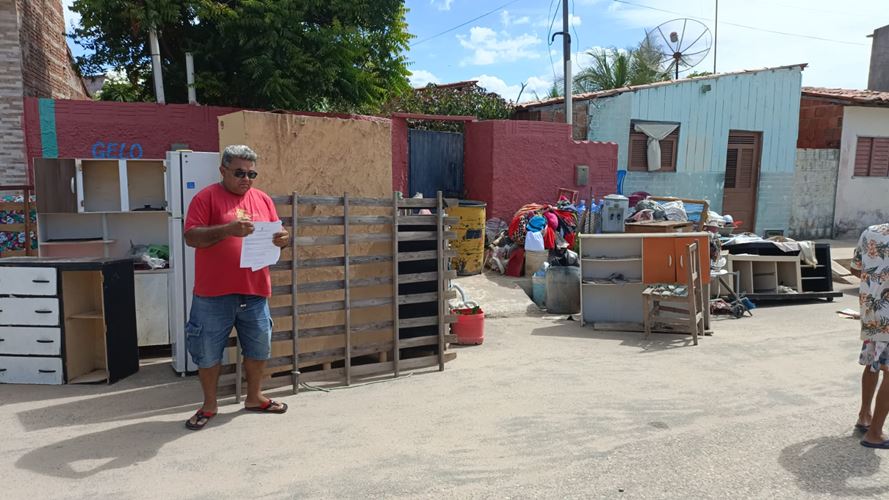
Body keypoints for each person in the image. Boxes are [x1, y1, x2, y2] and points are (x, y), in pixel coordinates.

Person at [182, 144, 291, 430]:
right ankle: (209, 405)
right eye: (240, 172)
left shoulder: (263, 200)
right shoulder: (205, 198)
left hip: (254, 291)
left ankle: (254, 397)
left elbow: (275, 234)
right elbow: (191, 237)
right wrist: (227, 230)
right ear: (223, 170)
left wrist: (283, 239)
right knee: (207, 352)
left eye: (252, 173)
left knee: (258, 348)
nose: (246, 178)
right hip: (213, 294)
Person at [851, 223, 889, 448]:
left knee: (873, 364)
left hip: (872, 310)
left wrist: (876, 283)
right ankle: (874, 433)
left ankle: (864, 416)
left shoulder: (871, 231)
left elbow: (856, 267)